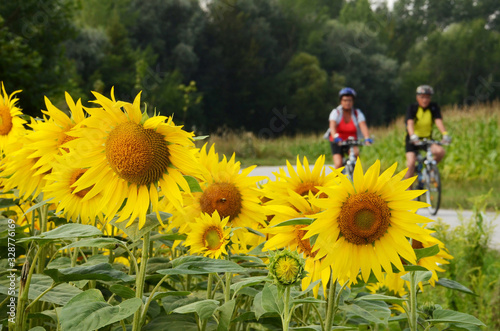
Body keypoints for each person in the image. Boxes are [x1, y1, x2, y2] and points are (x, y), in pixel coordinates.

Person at [404, 85, 451, 179]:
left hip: (427, 139)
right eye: (422, 97)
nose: (425, 100)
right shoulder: (412, 108)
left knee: (440, 152)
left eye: (427, 97)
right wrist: (412, 135)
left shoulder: (433, 107)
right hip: (412, 140)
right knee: (411, 163)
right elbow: (410, 123)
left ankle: (429, 170)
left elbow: (438, 121)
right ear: (417, 97)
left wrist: (445, 134)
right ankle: (407, 189)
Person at [328, 87, 372, 169]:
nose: (347, 103)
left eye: (350, 100)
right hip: (338, 141)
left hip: (351, 141)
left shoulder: (357, 113)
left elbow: (363, 125)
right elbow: (332, 126)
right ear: (341, 101)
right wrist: (335, 137)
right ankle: (337, 181)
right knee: (338, 164)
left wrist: (367, 138)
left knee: (356, 157)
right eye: (345, 100)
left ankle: (356, 177)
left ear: (353, 101)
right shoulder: (336, 112)